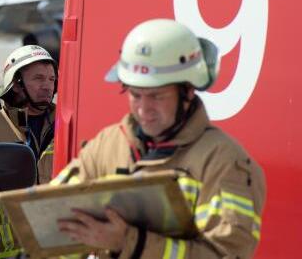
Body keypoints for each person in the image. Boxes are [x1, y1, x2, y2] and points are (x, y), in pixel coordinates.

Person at [53, 19, 265, 258]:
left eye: (157, 96)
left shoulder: (224, 162)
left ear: (188, 91)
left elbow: (227, 254)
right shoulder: (107, 145)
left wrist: (130, 243)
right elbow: (52, 226)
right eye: (135, 94)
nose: (144, 109)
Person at [0, 44, 58, 184]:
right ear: (16, 84)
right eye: (38, 78)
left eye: (51, 79)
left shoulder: (67, 126)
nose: (47, 86)